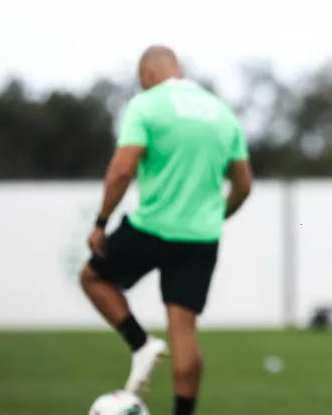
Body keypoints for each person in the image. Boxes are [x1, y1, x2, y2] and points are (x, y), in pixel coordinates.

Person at [79, 45, 253, 415]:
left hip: (152, 227)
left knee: (93, 278)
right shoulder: (222, 113)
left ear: (147, 76)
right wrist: (217, 214)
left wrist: (101, 222)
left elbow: (122, 169)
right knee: (184, 332)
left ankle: (141, 344)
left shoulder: (147, 105)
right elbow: (244, 185)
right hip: (200, 238)